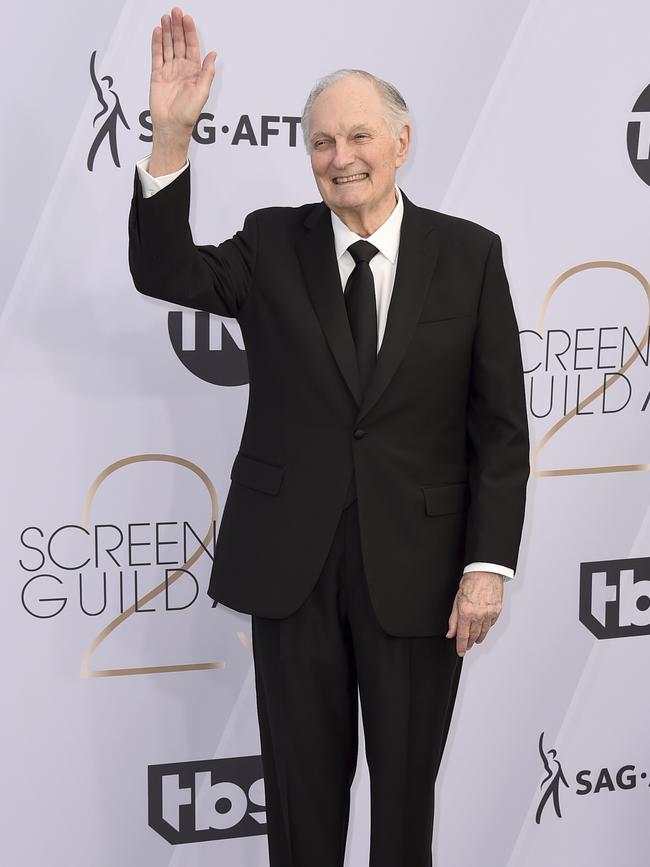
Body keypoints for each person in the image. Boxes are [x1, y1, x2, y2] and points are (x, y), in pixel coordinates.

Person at [128, 7, 530, 866]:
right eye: (320, 142)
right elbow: (165, 271)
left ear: (402, 142)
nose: (340, 156)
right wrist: (169, 139)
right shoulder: (273, 241)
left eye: (358, 136)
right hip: (293, 569)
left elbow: (500, 429)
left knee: (403, 806)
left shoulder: (470, 255)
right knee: (302, 808)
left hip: (421, 575)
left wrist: (487, 565)